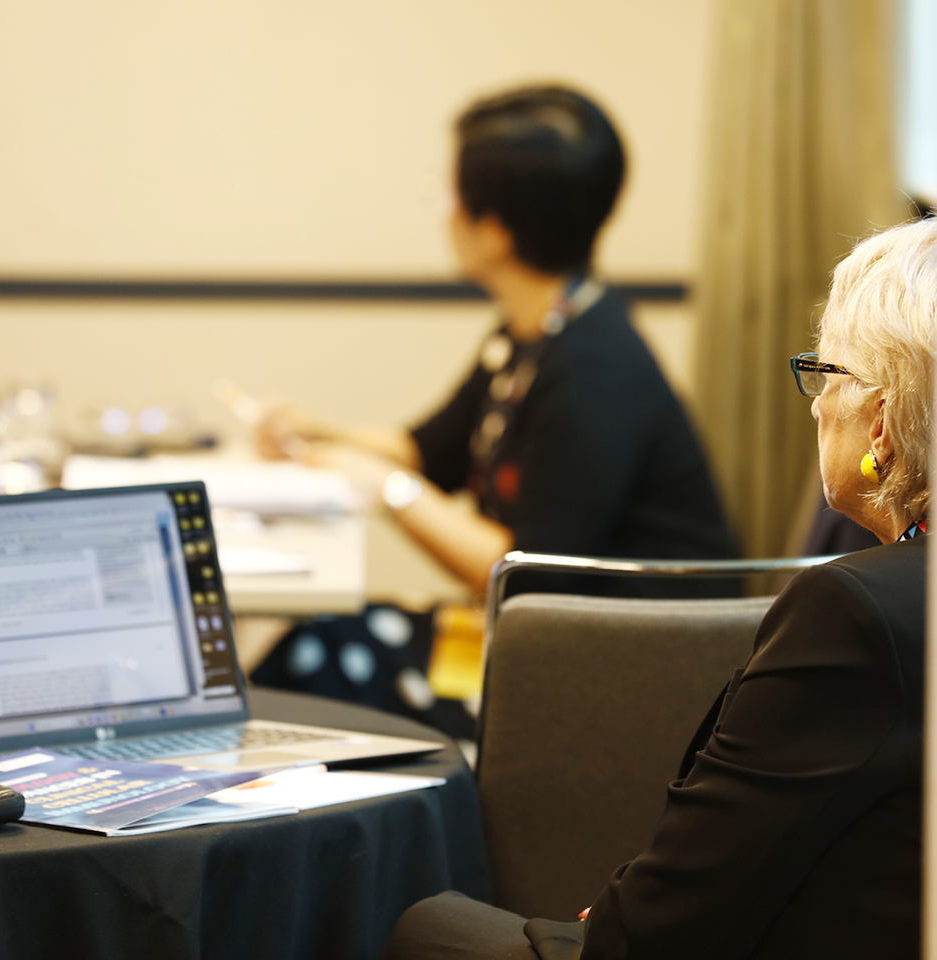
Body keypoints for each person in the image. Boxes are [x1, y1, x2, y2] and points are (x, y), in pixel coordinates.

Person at [379, 216, 935, 959]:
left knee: (424, 928)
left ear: (882, 421)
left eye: (826, 374)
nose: (814, 403)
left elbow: (655, 930)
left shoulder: (857, 615)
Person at [251, 85, 735, 737]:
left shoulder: (592, 368)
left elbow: (524, 573)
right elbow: (428, 450)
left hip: (612, 678)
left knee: (313, 657)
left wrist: (386, 489)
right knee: (313, 639)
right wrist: (314, 431)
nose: (443, 212)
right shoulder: (539, 327)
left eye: (450, 195)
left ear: (497, 230)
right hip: (538, 642)